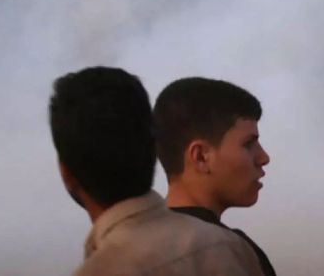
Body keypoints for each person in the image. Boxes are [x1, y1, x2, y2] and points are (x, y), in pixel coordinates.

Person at [47, 67, 264, 276]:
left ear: (67, 174)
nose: (264, 158)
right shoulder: (229, 248)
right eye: (248, 144)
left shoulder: (99, 269)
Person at [152, 77, 276, 276]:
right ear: (201, 156)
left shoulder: (130, 246)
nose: (264, 157)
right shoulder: (228, 252)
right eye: (248, 144)